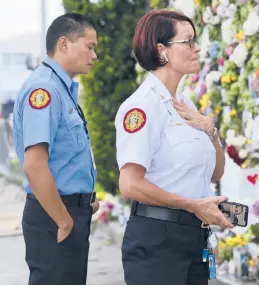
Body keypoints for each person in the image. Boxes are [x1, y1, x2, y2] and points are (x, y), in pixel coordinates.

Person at [115, 9, 234, 285]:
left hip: (192, 237)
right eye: (188, 41)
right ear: (162, 50)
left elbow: (216, 174)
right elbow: (130, 185)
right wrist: (194, 205)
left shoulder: (185, 106)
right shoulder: (141, 106)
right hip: (158, 241)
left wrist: (211, 131)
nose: (197, 48)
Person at [12, 13, 99, 284]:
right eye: (90, 46)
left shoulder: (61, 88)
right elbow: (34, 166)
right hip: (54, 216)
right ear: (64, 44)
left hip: (68, 211)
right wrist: (64, 221)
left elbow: (65, 157)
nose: (94, 55)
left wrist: (84, 199)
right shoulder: (45, 90)